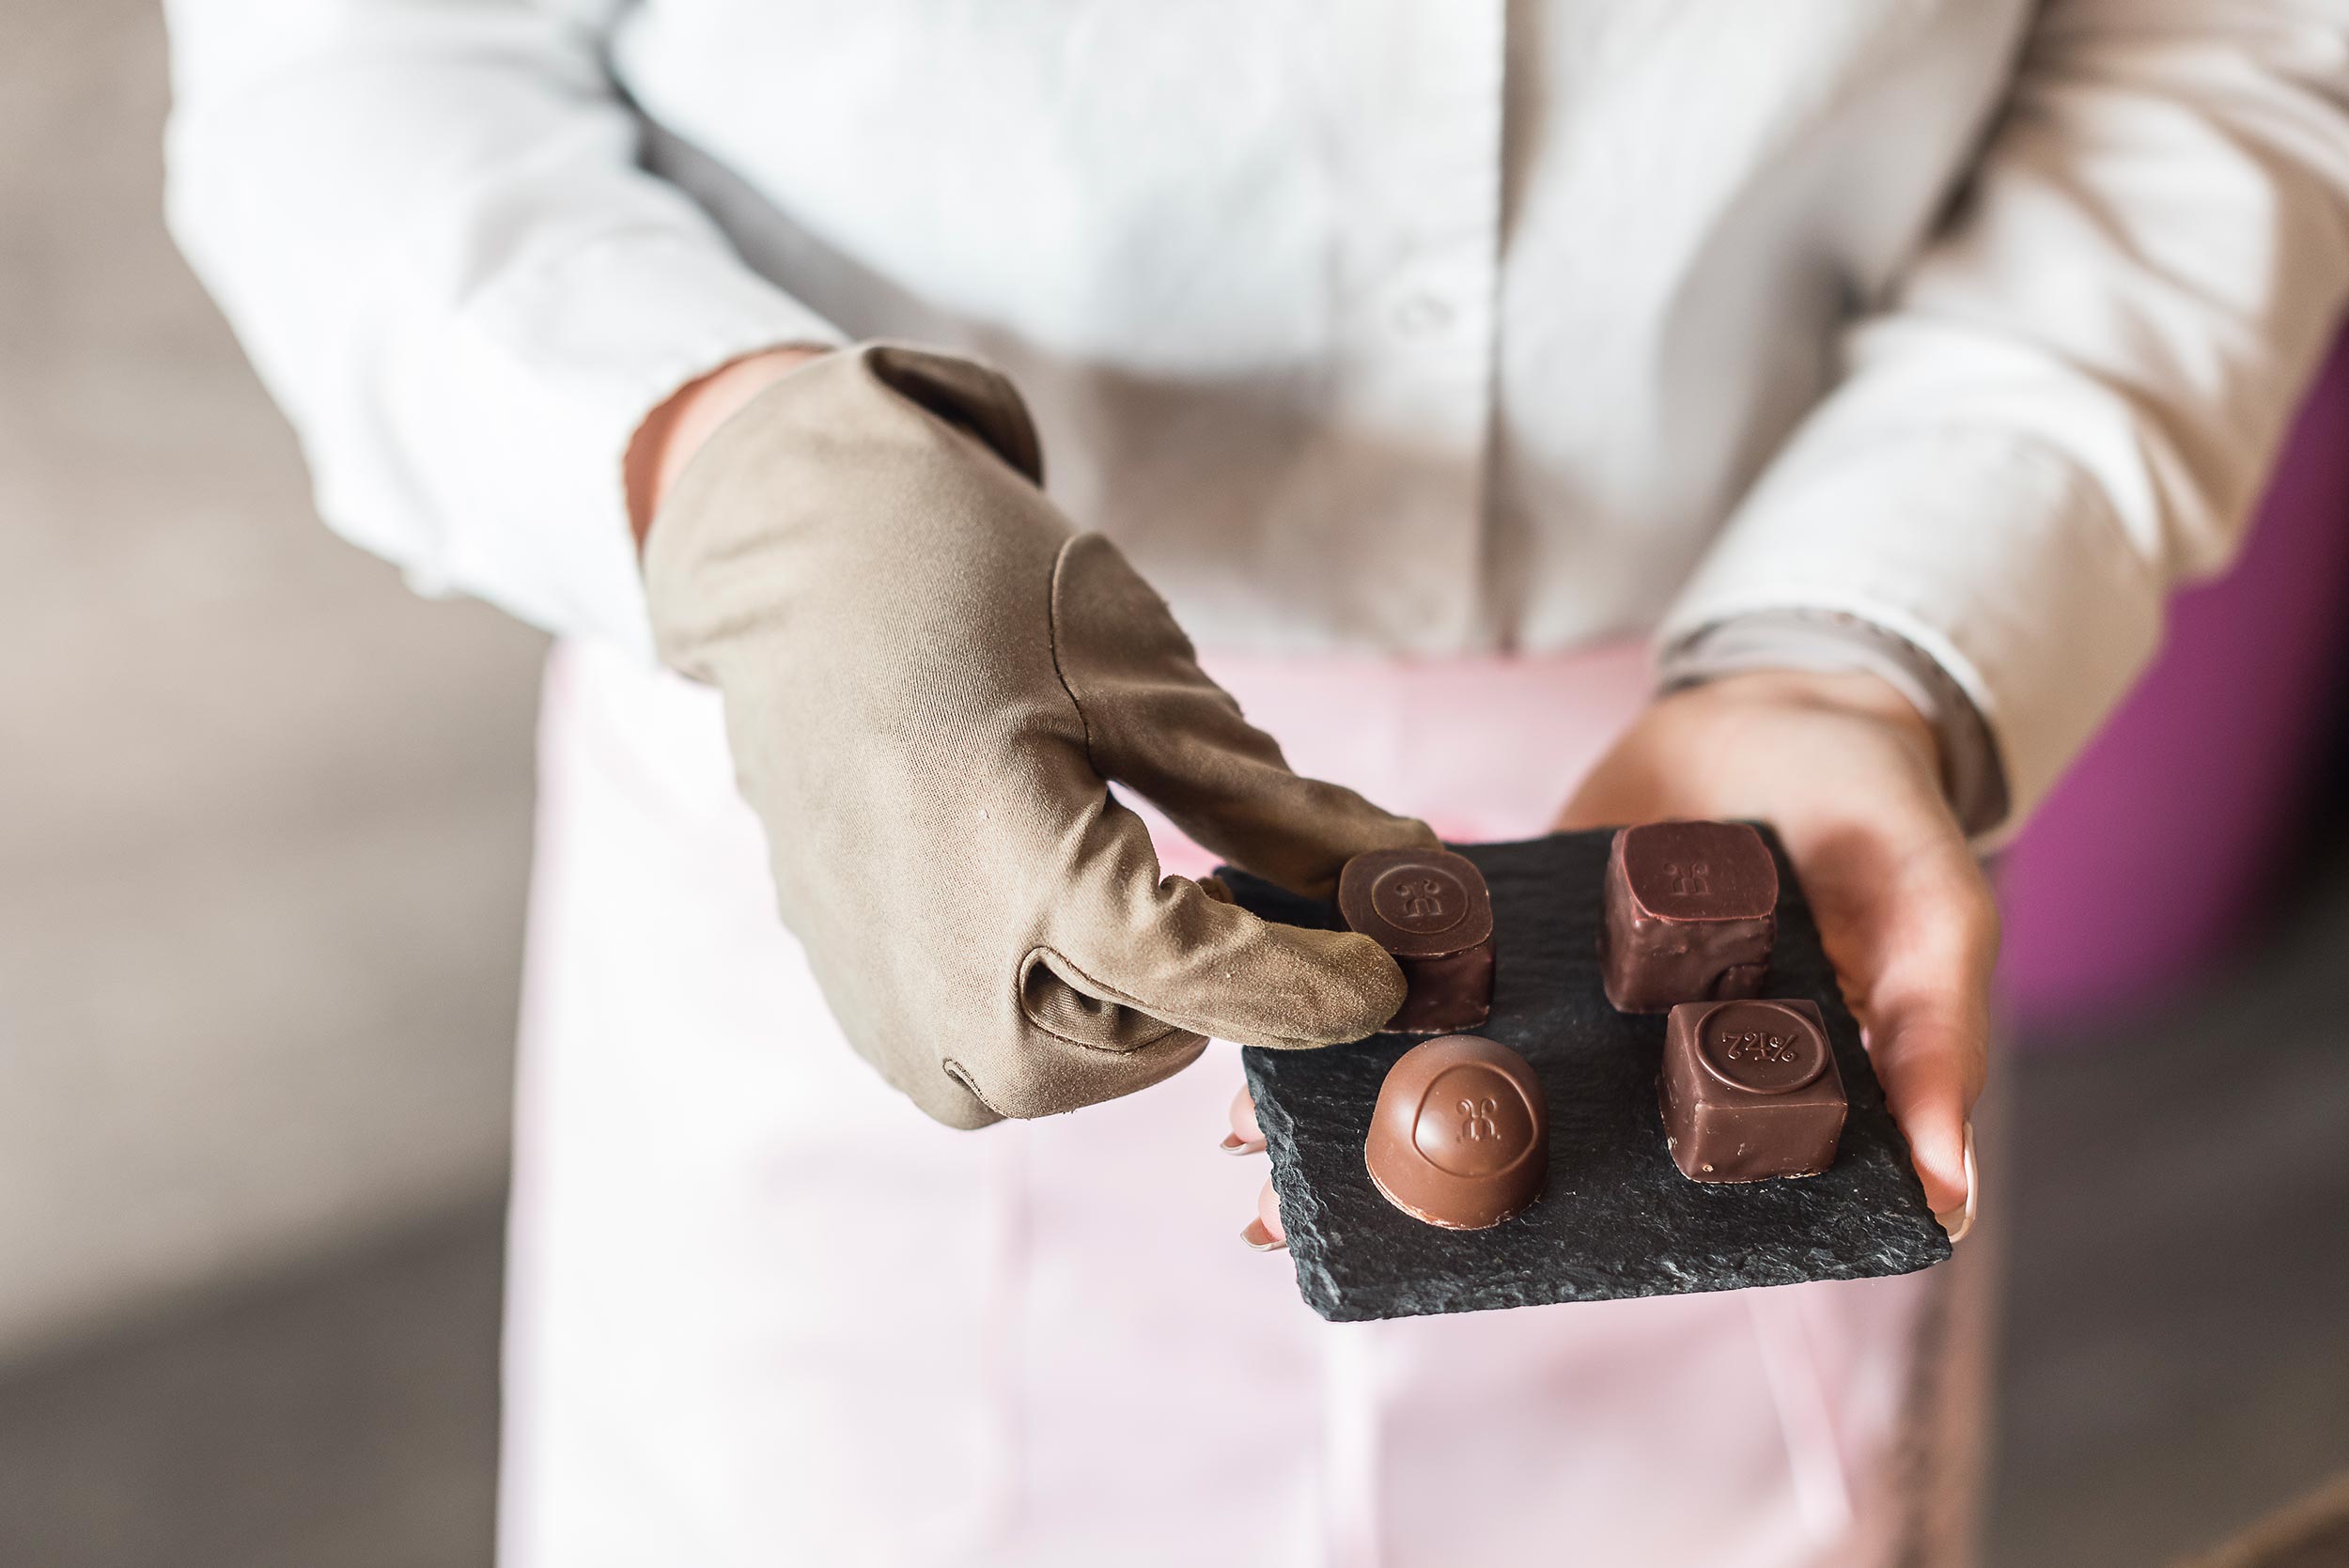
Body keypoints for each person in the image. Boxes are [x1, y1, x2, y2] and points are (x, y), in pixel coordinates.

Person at [160, 4, 2349, 1564]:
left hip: (1734, 813)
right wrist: (743, 478)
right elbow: (344, 58)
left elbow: (2223, 36)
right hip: (853, 766)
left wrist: (1869, 625)